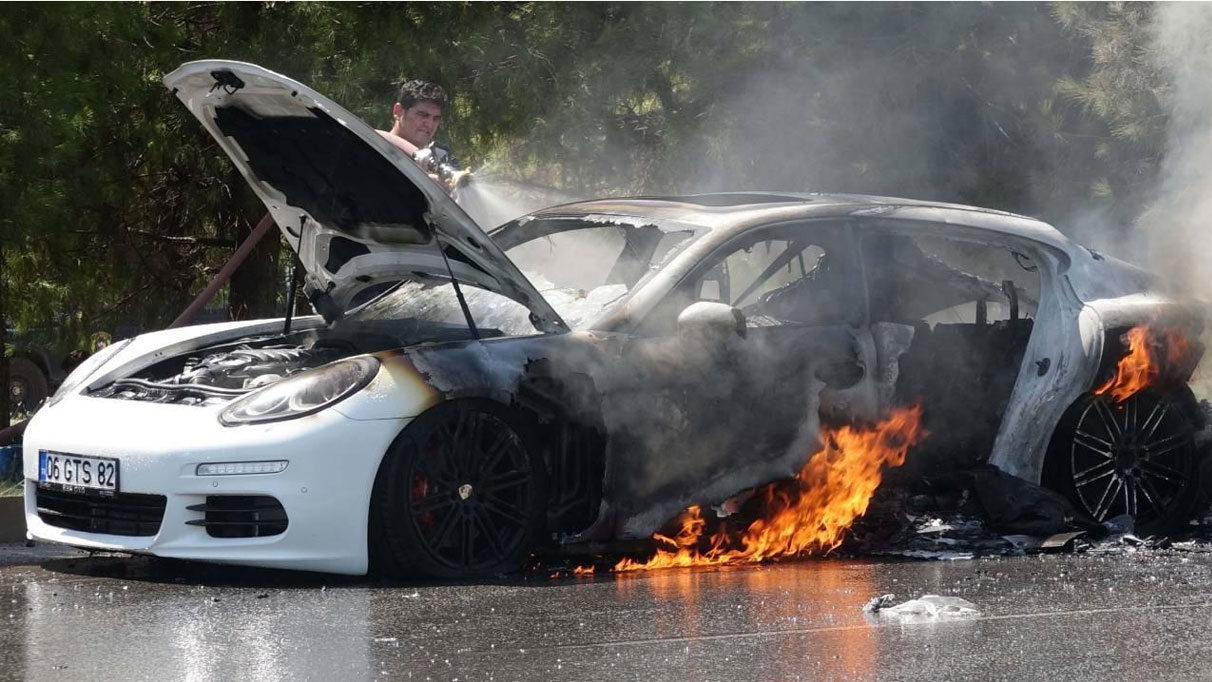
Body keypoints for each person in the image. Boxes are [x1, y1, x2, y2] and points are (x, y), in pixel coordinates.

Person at [377, 79, 461, 192]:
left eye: (436, 118)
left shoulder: (443, 159)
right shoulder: (372, 147)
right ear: (398, 111)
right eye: (422, 115)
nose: (430, 124)